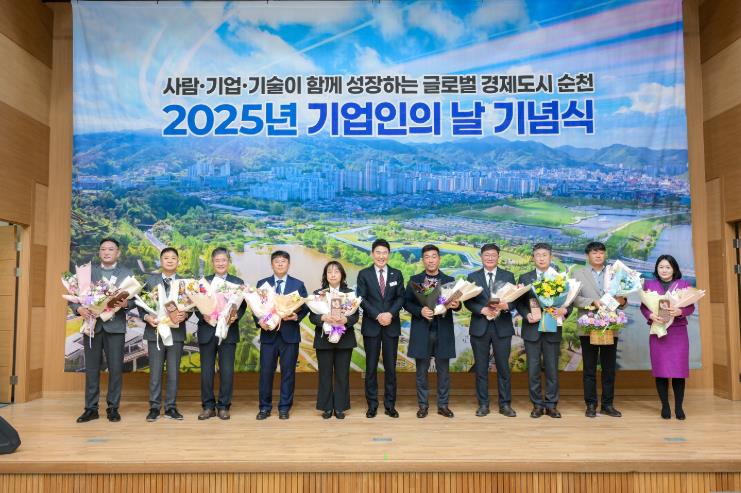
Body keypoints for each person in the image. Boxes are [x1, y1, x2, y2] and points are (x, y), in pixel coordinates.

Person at [71, 238, 135, 423]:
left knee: (115, 369)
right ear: (99, 252)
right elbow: (74, 296)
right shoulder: (87, 273)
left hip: (115, 327)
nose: (107, 252)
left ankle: (113, 408)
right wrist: (78, 309)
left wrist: (126, 303)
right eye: (103, 249)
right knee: (92, 369)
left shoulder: (127, 273)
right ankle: (90, 409)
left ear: (118, 253)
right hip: (92, 326)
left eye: (111, 249)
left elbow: (134, 301)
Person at [403, 244, 461, 418]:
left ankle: (443, 406)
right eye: (427, 257)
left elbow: (458, 305)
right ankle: (423, 406)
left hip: (443, 331)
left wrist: (456, 304)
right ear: (423, 260)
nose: (430, 260)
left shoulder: (449, 280)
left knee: (444, 373)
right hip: (422, 330)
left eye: (433, 256)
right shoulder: (415, 280)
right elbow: (406, 302)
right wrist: (419, 310)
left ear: (439, 259)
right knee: (421, 372)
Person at [572, 241, 626, 418]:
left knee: (609, 368)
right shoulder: (578, 273)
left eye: (601, 252)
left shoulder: (614, 273)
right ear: (587, 255)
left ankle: (607, 405)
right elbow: (574, 299)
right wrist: (592, 302)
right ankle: (590, 404)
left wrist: (622, 301)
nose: (598, 255)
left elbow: (623, 299)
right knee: (589, 368)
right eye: (594, 252)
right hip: (588, 325)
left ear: (605, 255)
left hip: (610, 325)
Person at [516, 242, 570, 419]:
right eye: (537, 255)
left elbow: (568, 302)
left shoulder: (559, 277)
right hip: (532, 328)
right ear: (533, 258)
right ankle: (537, 405)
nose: (541, 258)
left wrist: (564, 311)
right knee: (533, 369)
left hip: (552, 328)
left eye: (544, 255)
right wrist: (526, 315)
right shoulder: (525, 277)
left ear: (550, 257)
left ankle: (552, 405)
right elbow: (519, 303)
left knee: (552, 369)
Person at [464, 243, 517, 418]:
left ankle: (505, 404)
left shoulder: (508, 276)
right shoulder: (472, 276)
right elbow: (468, 301)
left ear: (498, 257)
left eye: (493, 255)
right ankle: (483, 404)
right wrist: (482, 310)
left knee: (503, 368)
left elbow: (515, 299)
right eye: (486, 255)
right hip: (480, 327)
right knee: (480, 368)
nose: (490, 258)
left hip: (502, 327)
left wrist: (506, 306)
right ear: (481, 257)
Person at [640, 254, 695, 420]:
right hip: (658, 332)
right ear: (656, 269)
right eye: (661, 267)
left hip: (678, 333)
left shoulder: (683, 285)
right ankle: (665, 405)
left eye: (668, 267)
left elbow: (691, 307)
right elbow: (644, 307)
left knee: (679, 371)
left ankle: (678, 407)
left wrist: (680, 311)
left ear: (674, 269)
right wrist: (650, 315)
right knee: (661, 370)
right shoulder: (649, 285)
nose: (664, 270)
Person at [255, 250, 309, 420]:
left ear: (288, 264)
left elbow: (305, 307)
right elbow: (255, 307)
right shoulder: (263, 284)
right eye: (277, 261)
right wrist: (259, 321)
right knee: (266, 373)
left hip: (289, 335)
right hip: (268, 335)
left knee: (288, 373)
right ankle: (264, 408)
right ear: (272, 264)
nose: (280, 264)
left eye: (283, 261)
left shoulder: (298, 284)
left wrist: (296, 317)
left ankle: (284, 408)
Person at [356, 239, 405, 418]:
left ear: (389, 254)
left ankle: (390, 405)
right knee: (370, 368)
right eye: (378, 252)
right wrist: (378, 315)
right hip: (372, 326)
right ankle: (372, 405)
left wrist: (389, 314)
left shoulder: (396, 274)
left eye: (384, 253)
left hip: (391, 325)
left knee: (391, 368)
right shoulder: (364, 274)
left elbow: (401, 298)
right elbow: (361, 298)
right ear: (372, 254)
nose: (381, 256)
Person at [195, 247, 246, 421]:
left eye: (224, 260)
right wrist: (203, 314)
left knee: (227, 371)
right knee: (206, 372)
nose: (220, 263)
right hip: (207, 330)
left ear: (228, 262)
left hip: (228, 331)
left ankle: (224, 406)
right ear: (212, 262)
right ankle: (208, 406)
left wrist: (235, 316)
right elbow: (196, 304)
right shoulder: (204, 282)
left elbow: (243, 306)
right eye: (217, 260)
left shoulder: (237, 282)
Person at [139, 247, 189, 422]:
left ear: (178, 262)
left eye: (173, 258)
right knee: (155, 372)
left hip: (176, 333)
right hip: (155, 331)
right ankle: (154, 407)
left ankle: (171, 407)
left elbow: (192, 305)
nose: (169, 260)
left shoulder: (184, 283)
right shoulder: (149, 281)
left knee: (173, 373)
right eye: (166, 258)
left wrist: (186, 315)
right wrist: (146, 317)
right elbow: (140, 304)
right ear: (160, 261)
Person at [309, 261, 359, 419]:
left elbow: (356, 316)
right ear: (325, 276)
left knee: (342, 375)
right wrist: (323, 317)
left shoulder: (350, 294)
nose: (333, 275)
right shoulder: (318, 294)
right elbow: (312, 316)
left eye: (336, 271)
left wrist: (346, 319)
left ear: (342, 275)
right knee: (324, 375)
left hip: (345, 339)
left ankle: (340, 407)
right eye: (329, 272)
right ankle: (326, 407)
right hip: (324, 340)